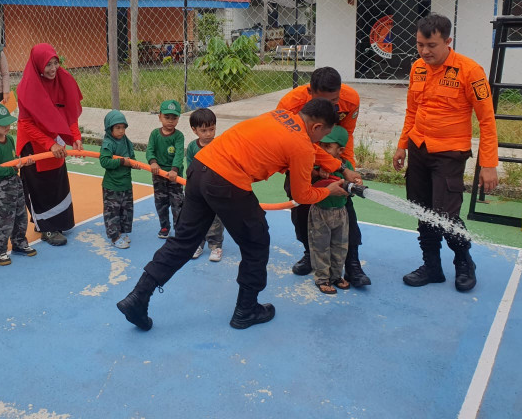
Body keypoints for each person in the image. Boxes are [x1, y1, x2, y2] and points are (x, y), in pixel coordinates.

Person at [117, 99, 348, 332]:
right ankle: (246, 310)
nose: (319, 142)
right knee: (256, 243)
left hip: (201, 168)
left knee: (183, 241)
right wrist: (328, 190)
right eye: (323, 135)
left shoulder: (280, 115)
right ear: (316, 127)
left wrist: (340, 167)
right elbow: (303, 194)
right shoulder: (302, 145)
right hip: (227, 182)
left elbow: (312, 150)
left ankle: (137, 297)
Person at [393, 13, 498, 292]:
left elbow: (487, 120)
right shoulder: (417, 68)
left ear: (448, 41)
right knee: (423, 210)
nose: (425, 52)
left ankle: (464, 262)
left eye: (431, 46)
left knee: (446, 214)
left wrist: (488, 164)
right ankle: (431, 266)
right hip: (419, 149)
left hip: (450, 154)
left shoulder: (470, 71)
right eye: (419, 45)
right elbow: (412, 111)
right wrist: (402, 144)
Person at [276, 67, 371, 288]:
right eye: (323, 101)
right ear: (310, 92)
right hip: (300, 159)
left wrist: (346, 169)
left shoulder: (350, 100)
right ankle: (311, 253)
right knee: (300, 206)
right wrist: (310, 171)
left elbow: (345, 138)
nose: (331, 107)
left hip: (333, 160)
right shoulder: (289, 105)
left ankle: (352, 263)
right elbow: (286, 145)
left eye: (334, 100)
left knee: (344, 206)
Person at [16, 43, 82, 246]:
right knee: (40, 186)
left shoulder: (63, 81)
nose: (53, 69)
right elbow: (26, 124)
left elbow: (68, 112)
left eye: (55, 63)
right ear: (37, 65)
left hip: (56, 140)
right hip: (34, 143)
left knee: (57, 181)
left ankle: (59, 222)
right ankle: (45, 228)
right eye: (48, 65)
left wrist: (75, 135)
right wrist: (49, 144)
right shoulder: (26, 88)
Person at [0, 104, 37, 265]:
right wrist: (15, 167)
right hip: (1, 188)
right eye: (2, 124)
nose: (7, 127)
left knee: (20, 215)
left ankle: (19, 243)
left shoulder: (10, 139)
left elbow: (14, 159)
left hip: (15, 183)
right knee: (3, 219)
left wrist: (21, 163)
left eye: (8, 123)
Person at [309, 126, 353, 294]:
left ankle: (336, 276)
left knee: (340, 246)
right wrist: (317, 174)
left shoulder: (346, 166)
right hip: (320, 211)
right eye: (321, 145)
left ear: (340, 150)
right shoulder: (316, 165)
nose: (322, 149)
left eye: (328, 146)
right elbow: (306, 184)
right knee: (320, 246)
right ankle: (322, 278)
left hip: (341, 212)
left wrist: (355, 186)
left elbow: (350, 186)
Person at [186, 108, 224, 262]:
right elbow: (190, 167)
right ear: (194, 130)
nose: (208, 133)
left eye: (212, 129)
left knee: (215, 219)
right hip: (198, 191)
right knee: (197, 218)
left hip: (214, 191)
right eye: (204, 130)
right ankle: (198, 244)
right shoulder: (192, 147)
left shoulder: (219, 144)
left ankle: (216, 246)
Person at [147, 100, 185, 239]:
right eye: (167, 117)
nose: (170, 121)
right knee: (161, 203)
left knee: (178, 203)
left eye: (174, 118)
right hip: (159, 176)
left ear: (178, 119)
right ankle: (164, 226)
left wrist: (174, 170)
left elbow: (179, 154)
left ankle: (179, 229)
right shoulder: (155, 135)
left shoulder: (178, 136)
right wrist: (153, 162)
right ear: (160, 117)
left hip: (174, 177)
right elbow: (150, 150)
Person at [99, 110, 136, 249]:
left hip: (126, 184)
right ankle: (115, 237)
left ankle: (123, 231)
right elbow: (104, 162)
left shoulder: (126, 141)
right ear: (110, 129)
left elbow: (132, 157)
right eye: (117, 128)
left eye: (123, 127)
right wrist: (121, 162)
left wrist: (134, 163)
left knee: (126, 210)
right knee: (112, 212)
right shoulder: (108, 143)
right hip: (112, 186)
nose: (121, 131)